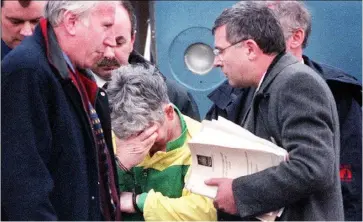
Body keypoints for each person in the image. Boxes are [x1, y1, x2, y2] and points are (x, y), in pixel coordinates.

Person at [206, 1, 362, 220]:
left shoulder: (296, 82)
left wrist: (238, 192)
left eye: (220, 51)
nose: (217, 62)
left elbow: (313, 166)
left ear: (250, 48)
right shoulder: (268, 84)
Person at [2, 1, 121, 220]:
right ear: (71, 22)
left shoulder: (73, 72)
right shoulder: (27, 71)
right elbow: (23, 187)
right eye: (106, 26)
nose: (110, 41)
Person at [106, 64, 216, 221]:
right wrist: (120, 165)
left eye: (144, 131)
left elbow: (203, 214)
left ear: (169, 112)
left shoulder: (204, 144)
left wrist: (139, 202)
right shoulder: (116, 135)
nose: (136, 141)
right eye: (128, 134)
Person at [90, 0, 201, 121]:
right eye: (102, 43)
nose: (109, 54)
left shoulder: (173, 97)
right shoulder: (69, 94)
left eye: (118, 43)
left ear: (132, 40)